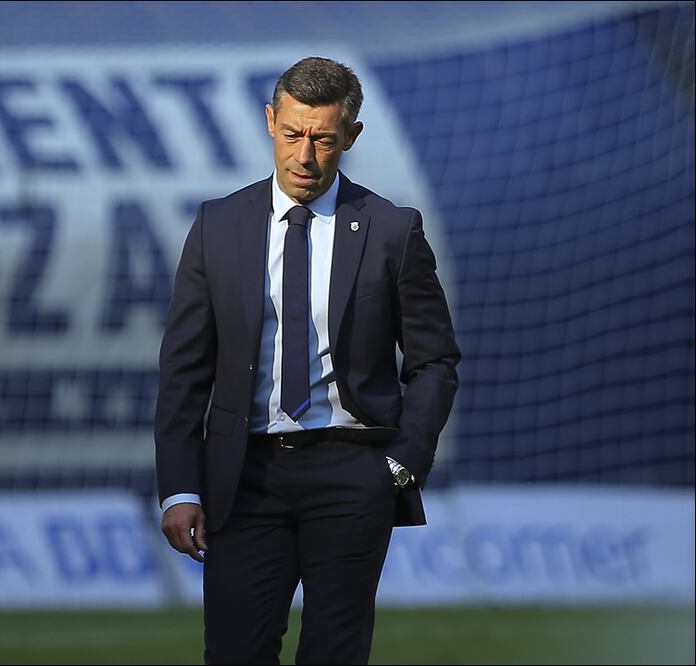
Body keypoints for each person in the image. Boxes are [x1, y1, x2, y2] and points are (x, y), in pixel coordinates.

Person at [155, 56, 461, 665]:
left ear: (351, 136)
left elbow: (434, 361)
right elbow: (185, 371)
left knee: (334, 655)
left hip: (353, 475)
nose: (306, 155)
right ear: (270, 121)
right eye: (293, 134)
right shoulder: (218, 226)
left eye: (323, 138)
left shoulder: (392, 231)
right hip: (244, 480)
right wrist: (178, 488)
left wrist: (400, 466)